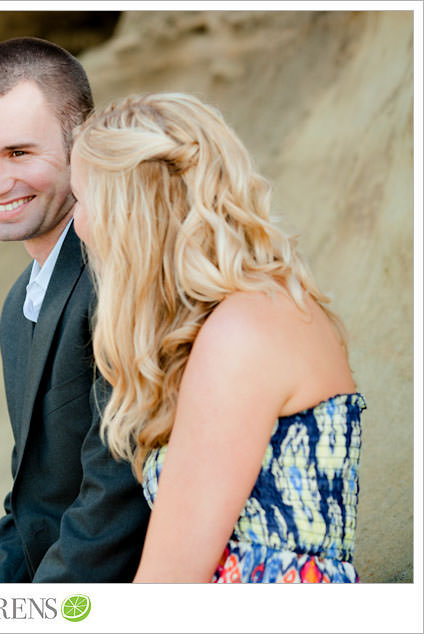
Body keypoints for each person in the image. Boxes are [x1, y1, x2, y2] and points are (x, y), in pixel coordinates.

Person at [70, 92, 366, 582]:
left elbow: (169, 582)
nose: (77, 223)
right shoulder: (241, 318)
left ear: (128, 215)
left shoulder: (244, 332)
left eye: (81, 199)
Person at [0, 37, 150, 582]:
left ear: (79, 147)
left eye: (19, 153)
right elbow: (30, 501)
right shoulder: (19, 303)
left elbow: (116, 493)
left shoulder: (117, 275)